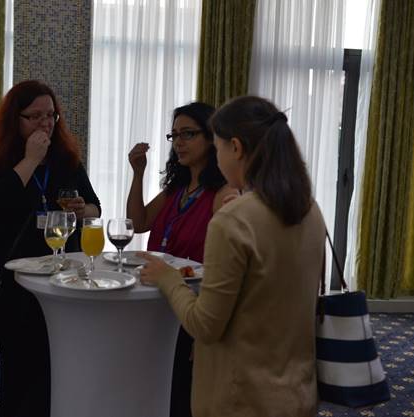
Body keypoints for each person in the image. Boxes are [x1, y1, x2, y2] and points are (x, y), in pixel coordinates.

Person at [139, 96, 326, 417]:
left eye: (218, 145)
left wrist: (168, 279)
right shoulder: (310, 209)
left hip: (241, 396)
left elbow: (205, 325)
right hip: (296, 390)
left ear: (235, 148)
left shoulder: (235, 219)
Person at [0, 80, 101, 417]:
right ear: (14, 119)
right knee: (20, 360)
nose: (46, 123)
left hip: (62, 273)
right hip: (16, 275)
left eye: (51, 116)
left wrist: (81, 209)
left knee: (58, 358)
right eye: (35, 116)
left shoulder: (66, 158)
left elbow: (95, 207)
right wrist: (30, 160)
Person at [126, 102, 237, 417]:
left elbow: (228, 265)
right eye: (174, 136)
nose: (179, 143)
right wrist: (137, 174)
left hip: (193, 308)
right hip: (160, 302)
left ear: (212, 138)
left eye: (188, 134)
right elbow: (137, 222)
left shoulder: (223, 193)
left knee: (182, 397)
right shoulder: (178, 188)